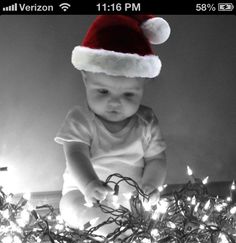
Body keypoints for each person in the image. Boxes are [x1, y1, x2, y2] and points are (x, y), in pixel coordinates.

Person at [55, 15, 171, 229]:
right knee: (71, 206)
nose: (115, 103)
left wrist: (151, 185)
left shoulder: (145, 121)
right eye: (103, 91)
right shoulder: (81, 119)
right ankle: (100, 229)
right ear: (86, 79)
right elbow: (75, 154)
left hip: (130, 199)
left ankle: (122, 233)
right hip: (84, 193)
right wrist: (89, 185)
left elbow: (157, 159)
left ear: (142, 86)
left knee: (150, 216)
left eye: (128, 95)